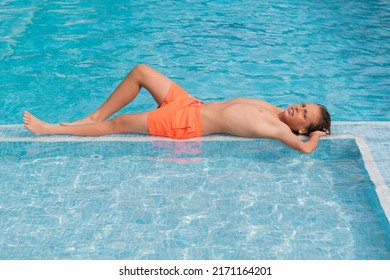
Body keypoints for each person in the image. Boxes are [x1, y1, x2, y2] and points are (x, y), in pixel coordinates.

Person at [23, 64, 331, 153]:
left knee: (123, 123)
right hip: (190, 103)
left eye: (304, 115)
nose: (297, 109)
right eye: (302, 104)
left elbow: (305, 150)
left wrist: (317, 135)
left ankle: (49, 129)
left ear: (303, 128)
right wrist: (307, 122)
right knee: (141, 71)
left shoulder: (280, 129)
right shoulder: (275, 110)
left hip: (187, 124)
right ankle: (93, 117)